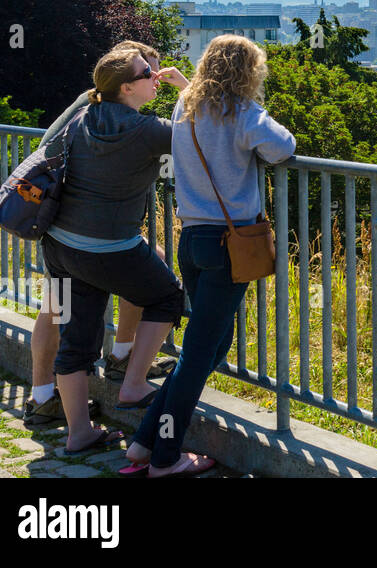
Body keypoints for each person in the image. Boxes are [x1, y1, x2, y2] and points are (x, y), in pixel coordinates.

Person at [125, 34, 294, 478]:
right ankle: (164, 456)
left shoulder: (186, 107)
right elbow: (283, 148)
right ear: (248, 71)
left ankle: (144, 442)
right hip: (229, 244)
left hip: (193, 240)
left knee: (212, 346)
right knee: (199, 354)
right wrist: (256, 108)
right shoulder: (240, 111)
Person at [40, 49, 189, 454]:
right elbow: (204, 134)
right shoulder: (148, 130)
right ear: (127, 88)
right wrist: (186, 88)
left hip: (60, 244)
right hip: (109, 247)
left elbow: (46, 145)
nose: (155, 76)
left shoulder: (82, 117)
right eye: (148, 73)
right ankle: (133, 383)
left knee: (76, 336)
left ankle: (79, 434)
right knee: (166, 296)